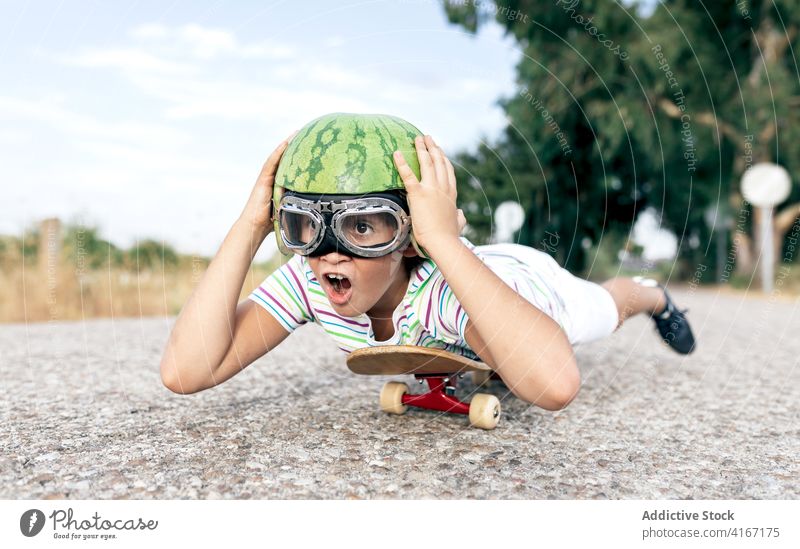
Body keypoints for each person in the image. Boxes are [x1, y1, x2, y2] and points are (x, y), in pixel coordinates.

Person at [160, 113, 695, 411]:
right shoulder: (309, 278)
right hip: (451, 267)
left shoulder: (444, 293)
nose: (328, 250)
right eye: (302, 226)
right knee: (494, 357)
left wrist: (443, 243)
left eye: (362, 226)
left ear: (408, 237)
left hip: (514, 282)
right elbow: (186, 372)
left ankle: (653, 295)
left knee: (605, 306)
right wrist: (249, 224)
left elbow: (555, 386)